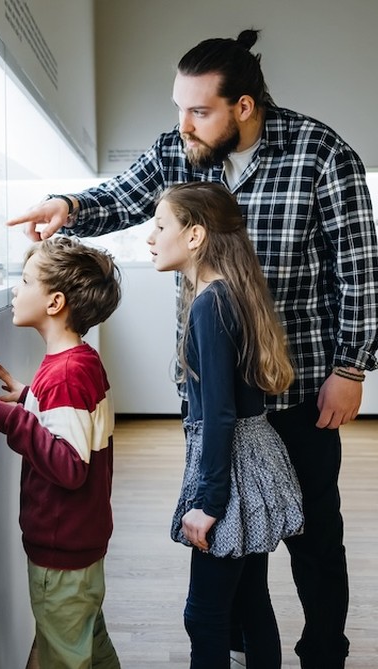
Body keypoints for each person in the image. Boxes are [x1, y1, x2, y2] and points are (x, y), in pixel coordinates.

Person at [6, 28, 378, 669]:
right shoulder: (179, 148)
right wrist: (67, 206)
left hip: (299, 391)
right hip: (211, 399)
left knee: (316, 537)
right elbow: (123, 196)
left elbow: (359, 272)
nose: (183, 124)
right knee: (237, 545)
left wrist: (352, 367)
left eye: (199, 110)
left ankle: (324, 653)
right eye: (178, 107)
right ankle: (243, 652)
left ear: (244, 106)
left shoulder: (322, 155)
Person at [151, 182, 305, 668]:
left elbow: (218, 413)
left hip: (232, 470)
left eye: (160, 226)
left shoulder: (208, 305)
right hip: (254, 454)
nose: (150, 238)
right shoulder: (231, 294)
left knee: (204, 614)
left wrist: (208, 503)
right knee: (249, 599)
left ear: (195, 236)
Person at [0, 235, 124, 669]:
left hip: (62, 551)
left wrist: (8, 417)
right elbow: (74, 426)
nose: (16, 289)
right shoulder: (79, 362)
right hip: (83, 543)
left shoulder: (65, 376)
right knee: (89, 641)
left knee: (63, 656)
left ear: (54, 303)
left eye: (25, 280)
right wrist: (30, 398)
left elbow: (69, 466)